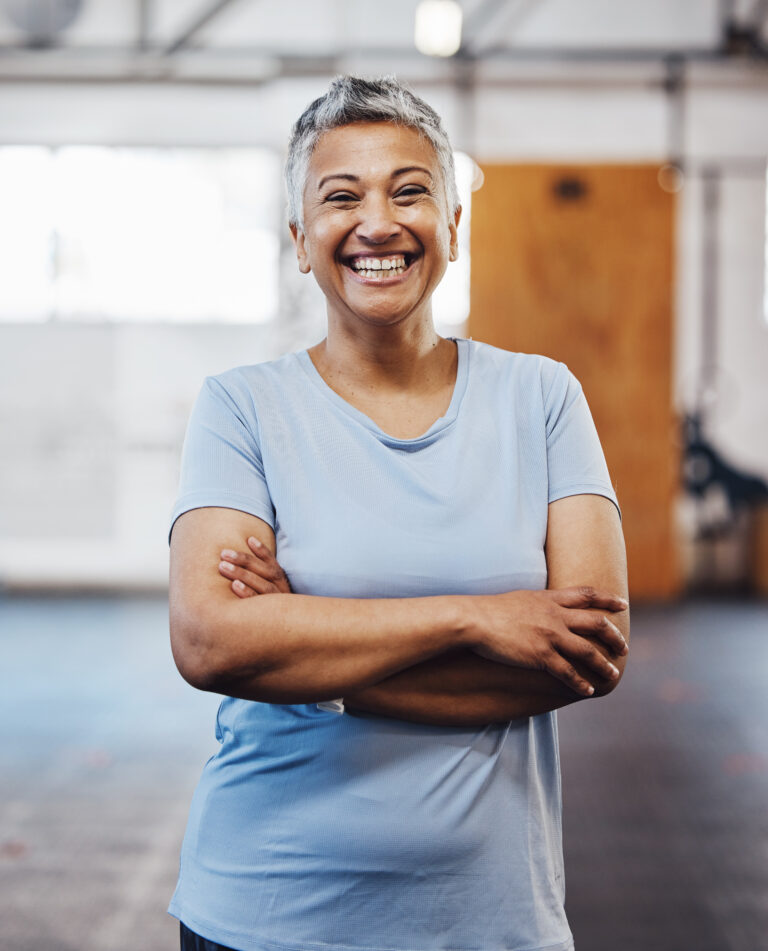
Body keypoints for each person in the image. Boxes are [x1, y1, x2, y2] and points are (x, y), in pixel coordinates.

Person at [168, 75, 629, 951]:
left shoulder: (541, 397)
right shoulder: (240, 407)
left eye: (410, 191)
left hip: (490, 922)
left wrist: (310, 654)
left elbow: (586, 655)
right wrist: (479, 618)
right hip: (263, 916)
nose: (378, 223)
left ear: (454, 227)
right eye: (342, 197)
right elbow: (209, 642)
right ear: (301, 241)